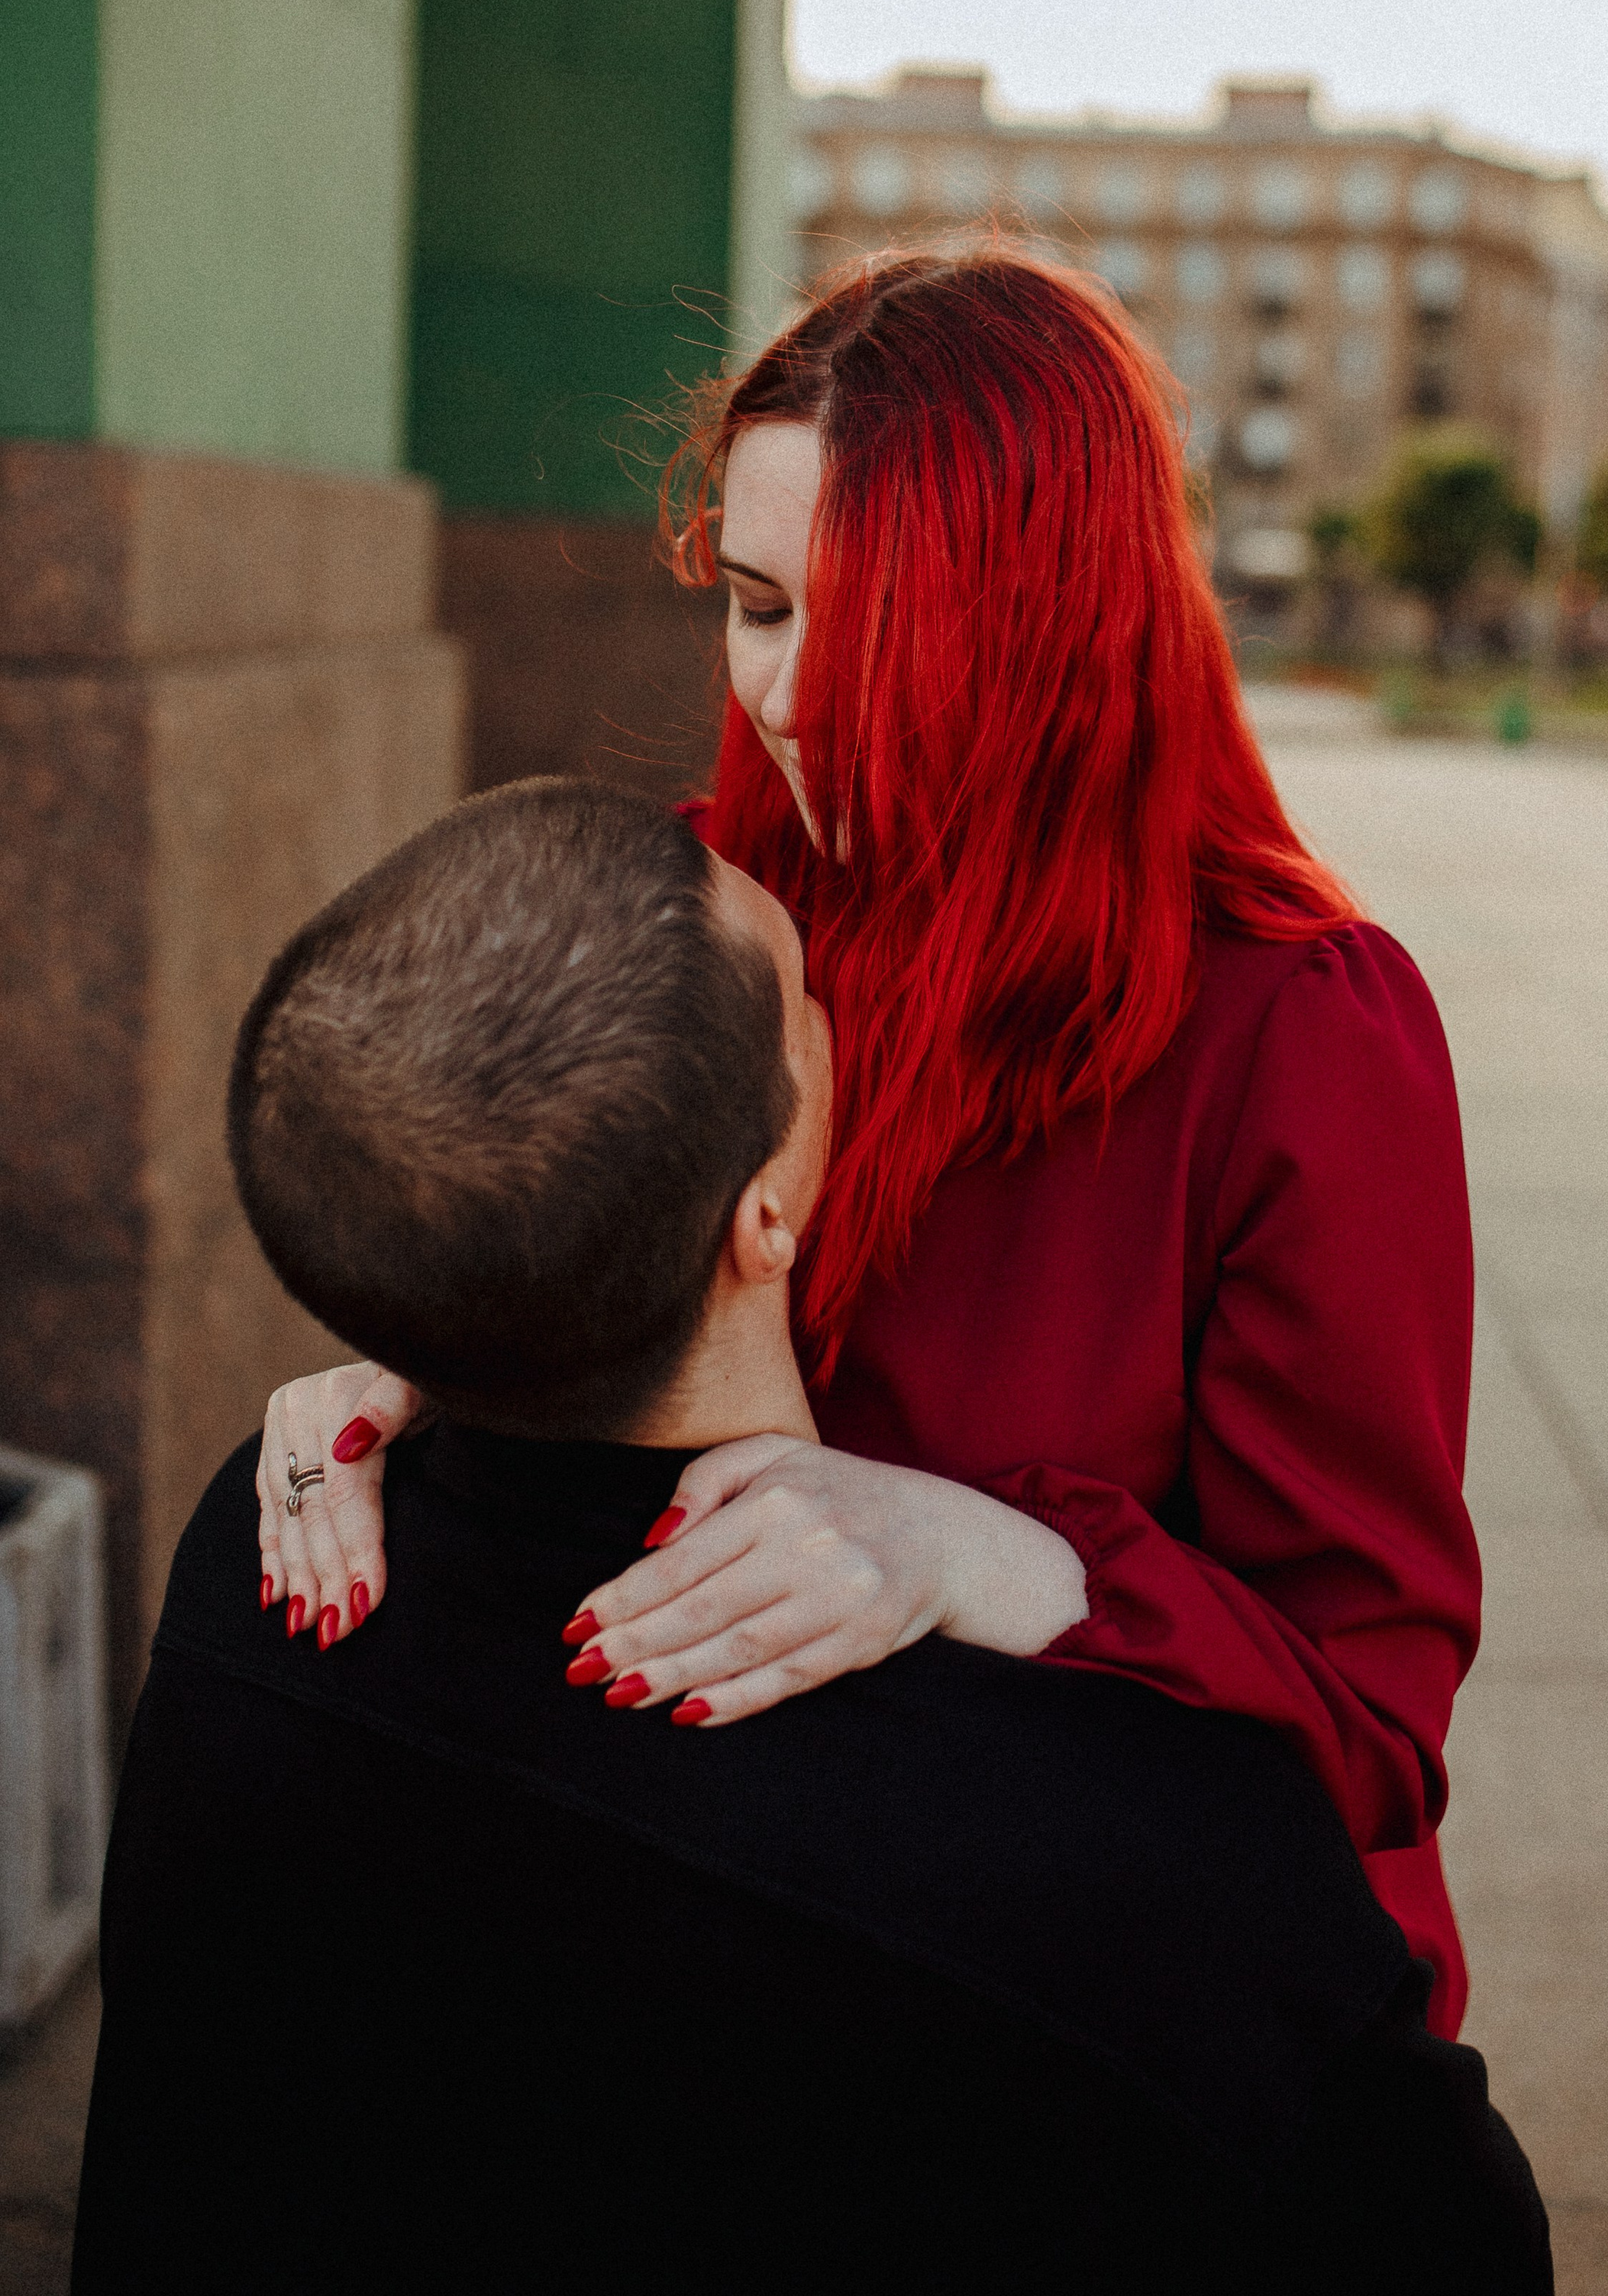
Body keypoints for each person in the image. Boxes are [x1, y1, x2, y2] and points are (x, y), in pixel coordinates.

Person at [76, 783, 1551, 2291]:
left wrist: (454, 1307)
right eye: (800, 988)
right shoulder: (1147, 1869)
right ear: (766, 1205)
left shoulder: (262, 1562)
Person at [258, 248, 1483, 2030]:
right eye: (757, 605)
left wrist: (998, 1557)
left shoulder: (1297, 1030)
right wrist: (459, 1341)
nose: (795, 697)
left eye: (886, 626)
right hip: (753, 1939)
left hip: (1133, 2011)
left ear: (1074, 620)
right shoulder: (706, 915)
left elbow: (1373, 1722)